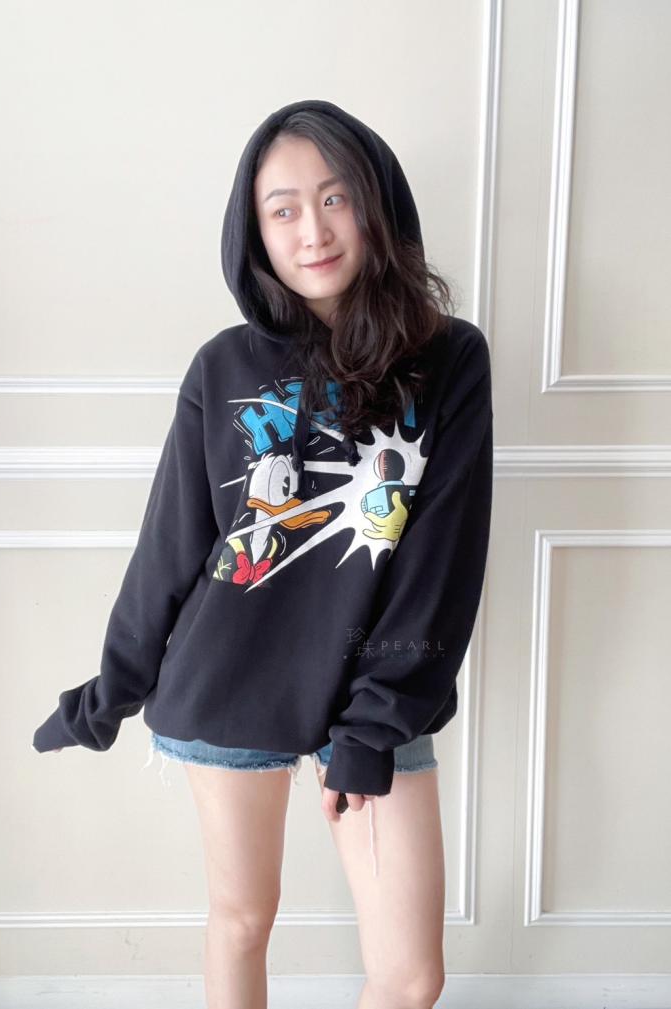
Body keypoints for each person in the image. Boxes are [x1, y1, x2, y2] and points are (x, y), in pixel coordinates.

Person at [33, 98, 493, 1009]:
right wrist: (111, 690)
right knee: (243, 918)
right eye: (283, 209)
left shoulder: (447, 360)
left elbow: (441, 564)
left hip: (378, 690)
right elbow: (172, 545)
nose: (311, 230)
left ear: (376, 203)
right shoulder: (223, 366)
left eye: (334, 198)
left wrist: (371, 730)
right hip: (232, 675)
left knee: (409, 976)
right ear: (255, 231)